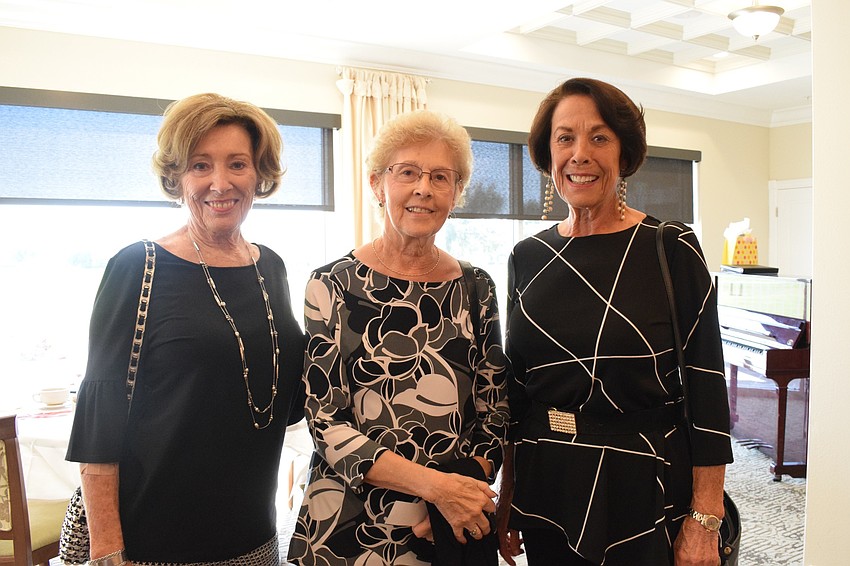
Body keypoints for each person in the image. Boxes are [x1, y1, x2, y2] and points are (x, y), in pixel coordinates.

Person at [495, 78, 733, 566]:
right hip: (549, 481)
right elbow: (516, 393)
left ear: (624, 155)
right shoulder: (528, 256)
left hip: (643, 485)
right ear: (548, 155)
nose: (580, 154)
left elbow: (707, 389)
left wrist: (705, 516)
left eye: (599, 138)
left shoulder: (670, 247)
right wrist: (508, 495)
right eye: (565, 138)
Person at [66, 93, 305, 565]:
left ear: (259, 174)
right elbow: (100, 414)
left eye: (237, 163)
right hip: (151, 540)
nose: (221, 182)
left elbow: (287, 393)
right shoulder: (139, 267)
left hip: (253, 533)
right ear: (177, 178)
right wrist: (108, 547)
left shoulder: (270, 267)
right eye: (200, 165)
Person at [287, 110, 510, 565]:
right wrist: (436, 489)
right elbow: (325, 423)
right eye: (407, 172)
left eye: (441, 177)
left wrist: (456, 494)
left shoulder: (476, 286)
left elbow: (495, 410)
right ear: (376, 184)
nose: (423, 188)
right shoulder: (330, 284)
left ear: (456, 193)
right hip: (350, 523)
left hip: (450, 528)